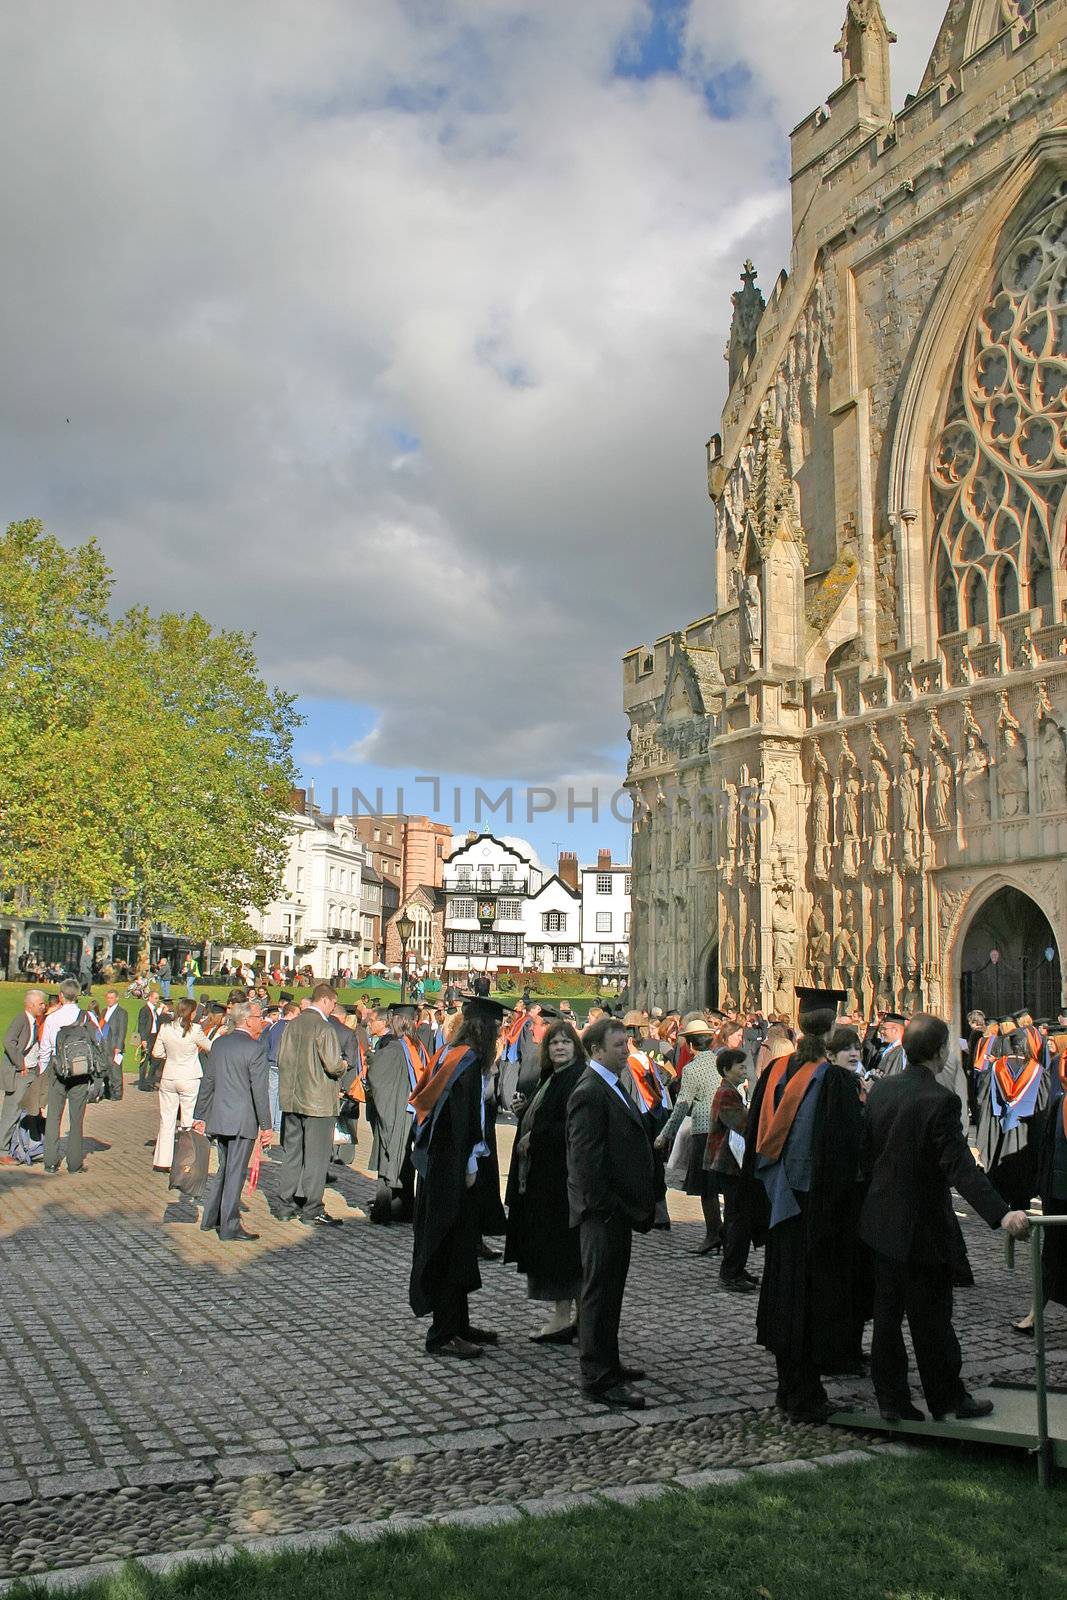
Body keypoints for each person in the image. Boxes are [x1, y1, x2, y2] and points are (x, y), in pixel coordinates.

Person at [861, 1013, 1030, 1421]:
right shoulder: (939, 1100)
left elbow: (868, 1154)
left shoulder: (881, 1092)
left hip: (880, 1222)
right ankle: (946, 1397)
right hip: (921, 1226)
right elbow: (960, 1168)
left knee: (886, 1319)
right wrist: (1001, 1215)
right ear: (939, 1053)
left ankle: (892, 1399)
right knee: (932, 1317)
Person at [745, 987, 865, 1423]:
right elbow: (845, 1154)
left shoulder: (776, 1070)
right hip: (814, 1211)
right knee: (811, 1301)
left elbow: (755, 1137)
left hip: (779, 1203)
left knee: (784, 1297)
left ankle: (788, 1387)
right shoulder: (831, 1080)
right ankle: (805, 1394)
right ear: (832, 1031)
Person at [566, 1016, 656, 1409]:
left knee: (611, 1290)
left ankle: (610, 1361)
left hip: (616, 1210)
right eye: (619, 1045)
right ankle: (597, 1376)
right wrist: (604, 1206)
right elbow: (585, 1160)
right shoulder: (589, 1090)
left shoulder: (613, 1084)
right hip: (602, 1212)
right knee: (598, 1293)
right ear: (597, 1049)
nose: (626, 1049)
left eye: (626, 1043)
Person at [409, 995, 503, 1358]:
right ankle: (443, 1333)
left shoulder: (455, 1055)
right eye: (495, 1029)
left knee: (461, 1245)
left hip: (447, 1166)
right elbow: (460, 1123)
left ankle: (460, 1324)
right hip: (450, 1171)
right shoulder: (464, 1062)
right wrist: (469, 1166)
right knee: (449, 1246)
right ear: (485, 1030)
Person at [504, 1020, 586, 1342]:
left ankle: (569, 1318)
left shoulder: (576, 1079)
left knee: (565, 1253)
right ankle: (568, 1316)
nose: (560, 1047)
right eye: (554, 1043)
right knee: (557, 1253)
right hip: (543, 1182)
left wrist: (535, 1134)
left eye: (566, 1042)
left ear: (575, 1047)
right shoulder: (551, 1077)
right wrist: (526, 1112)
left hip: (560, 1183)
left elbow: (571, 1127)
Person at [192, 1002, 272, 1242]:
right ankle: (230, 1226)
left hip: (220, 1116)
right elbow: (259, 1090)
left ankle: (211, 1218)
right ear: (247, 1020)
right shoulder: (255, 1048)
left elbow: (209, 1081)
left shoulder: (220, 1043)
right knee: (235, 1172)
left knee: (224, 1168)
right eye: (259, 1017)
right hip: (242, 1120)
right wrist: (266, 1126)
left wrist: (200, 1114)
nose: (262, 1021)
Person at [274, 983, 346, 1228]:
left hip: (292, 1099)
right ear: (325, 1001)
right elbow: (333, 1065)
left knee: (291, 1153)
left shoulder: (291, 1025)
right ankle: (312, 1207)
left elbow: (280, 1059)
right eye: (333, 1004)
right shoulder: (323, 1027)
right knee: (316, 1157)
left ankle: (285, 1205)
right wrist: (344, 1065)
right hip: (317, 1102)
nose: (334, 1008)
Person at [655, 1018, 723, 1254]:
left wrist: (665, 1134)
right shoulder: (719, 1062)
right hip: (722, 1128)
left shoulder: (692, 1069)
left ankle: (713, 1233)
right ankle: (719, 1232)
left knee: (706, 1188)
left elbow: (682, 1106)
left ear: (691, 1045)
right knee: (718, 1184)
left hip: (703, 1130)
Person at [1012, 1050, 1067, 1337]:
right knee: (1051, 1258)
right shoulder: (1058, 1105)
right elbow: (1048, 1152)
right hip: (1058, 1197)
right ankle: (1034, 1316)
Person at [366, 1004, 426, 1224]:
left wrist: (371, 1058)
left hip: (395, 1109)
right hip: (412, 1110)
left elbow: (377, 1075)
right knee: (406, 1159)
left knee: (388, 1154)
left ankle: (384, 1209)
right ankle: (405, 1208)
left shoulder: (394, 1047)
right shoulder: (417, 1044)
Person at [707, 1047, 758, 1291]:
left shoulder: (732, 1091)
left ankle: (737, 1267)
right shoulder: (726, 1093)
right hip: (729, 1164)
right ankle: (730, 1272)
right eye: (740, 1067)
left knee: (740, 1218)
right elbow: (743, 1124)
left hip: (733, 1164)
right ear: (727, 1070)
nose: (744, 1071)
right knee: (738, 1219)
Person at [43, 987, 103, 1176]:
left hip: (57, 1070)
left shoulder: (52, 1018)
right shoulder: (88, 1017)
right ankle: (74, 1163)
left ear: (61, 996)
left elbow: (46, 1048)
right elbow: (99, 1041)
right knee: (77, 1119)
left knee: (53, 1116)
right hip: (81, 1070)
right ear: (77, 995)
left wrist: (42, 1070)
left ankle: (51, 1162)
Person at [150, 998, 212, 1171]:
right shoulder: (196, 1030)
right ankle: (185, 1160)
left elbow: (157, 1052)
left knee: (167, 1120)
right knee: (187, 1120)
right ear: (191, 1012)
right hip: (189, 1077)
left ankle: (162, 1161)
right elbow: (210, 1047)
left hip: (169, 1076)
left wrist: (170, 1057)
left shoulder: (166, 1028)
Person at [0, 988, 46, 1164]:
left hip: (31, 1072)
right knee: (11, 1112)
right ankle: (2, 1151)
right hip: (19, 1073)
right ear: (31, 1004)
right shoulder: (21, 1019)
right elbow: (8, 1041)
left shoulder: (33, 1020)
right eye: (41, 1003)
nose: (43, 1006)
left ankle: (23, 1146)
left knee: (26, 1111)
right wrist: (21, 1064)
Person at [136, 991, 164, 1092]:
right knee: (144, 1060)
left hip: (154, 1037)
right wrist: (143, 1039)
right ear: (150, 998)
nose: (157, 1000)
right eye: (155, 998)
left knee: (155, 1059)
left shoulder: (154, 1010)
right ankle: (142, 1083)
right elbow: (141, 1025)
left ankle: (150, 1081)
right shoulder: (144, 1010)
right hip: (147, 1037)